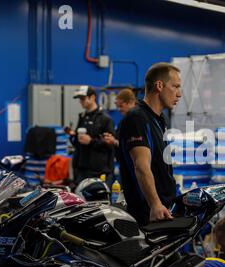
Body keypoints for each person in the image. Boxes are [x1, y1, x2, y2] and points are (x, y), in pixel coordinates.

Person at [118, 62, 181, 225]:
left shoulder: (160, 119)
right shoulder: (137, 118)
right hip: (148, 213)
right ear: (159, 86)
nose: (179, 94)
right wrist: (155, 204)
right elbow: (141, 166)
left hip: (164, 208)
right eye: (175, 86)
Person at [64, 86, 115, 187]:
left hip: (98, 172)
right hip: (81, 170)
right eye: (79, 99)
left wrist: (91, 141)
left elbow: (110, 145)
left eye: (83, 98)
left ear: (92, 97)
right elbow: (78, 143)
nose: (80, 102)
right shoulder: (82, 117)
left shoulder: (105, 119)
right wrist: (73, 136)